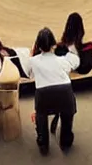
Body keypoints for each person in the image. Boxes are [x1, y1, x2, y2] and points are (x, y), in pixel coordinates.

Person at [29, 27, 79, 155]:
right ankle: (66, 141)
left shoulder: (33, 61)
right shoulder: (62, 61)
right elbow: (75, 62)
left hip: (44, 94)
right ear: (54, 45)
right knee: (67, 117)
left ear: (38, 46)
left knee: (41, 115)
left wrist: (33, 53)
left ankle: (43, 141)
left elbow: (29, 70)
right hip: (65, 92)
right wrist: (66, 52)